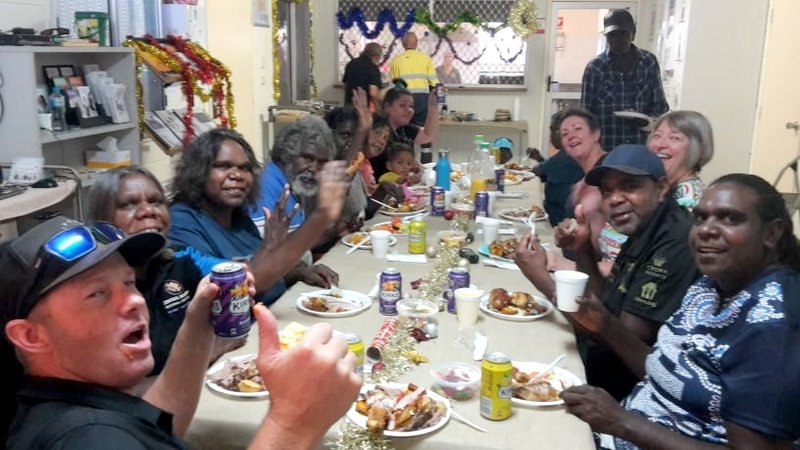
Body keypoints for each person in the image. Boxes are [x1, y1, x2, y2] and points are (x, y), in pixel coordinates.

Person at [1, 216, 361, 449]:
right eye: (97, 294)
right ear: (31, 336)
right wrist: (293, 424)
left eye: (129, 282)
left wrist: (198, 322)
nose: (133, 302)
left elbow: (162, 430)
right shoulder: (88, 439)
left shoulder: (83, 402)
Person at [561, 174, 800, 449]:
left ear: (771, 233)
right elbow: (670, 373)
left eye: (729, 218)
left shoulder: (771, 327)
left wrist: (621, 422)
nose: (706, 230)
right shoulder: (711, 284)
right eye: (701, 218)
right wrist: (605, 325)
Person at [514, 145, 699, 401]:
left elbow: (619, 337)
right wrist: (583, 247)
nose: (615, 199)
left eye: (629, 186)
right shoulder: (646, 225)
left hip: (628, 393)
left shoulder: (674, 243)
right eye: (607, 190)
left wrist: (542, 279)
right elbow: (607, 300)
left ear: (662, 188)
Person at [170, 128, 341, 305]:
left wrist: (296, 271)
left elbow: (261, 267)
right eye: (223, 166)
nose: (237, 175)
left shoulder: (236, 216)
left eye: (244, 168)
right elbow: (242, 286)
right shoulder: (181, 222)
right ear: (199, 172)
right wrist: (322, 216)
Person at [599, 110, 715, 262]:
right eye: (657, 135)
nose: (660, 145)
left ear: (697, 148)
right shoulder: (652, 190)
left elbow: (650, 264)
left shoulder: (688, 200)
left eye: (674, 138)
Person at [581, 9, 669, 152]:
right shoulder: (595, 68)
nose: (617, 40)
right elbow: (585, 114)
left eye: (623, 34)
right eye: (612, 35)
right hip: (607, 149)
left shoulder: (648, 62)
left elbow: (660, 105)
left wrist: (647, 121)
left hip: (640, 147)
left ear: (633, 32)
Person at [251, 114, 335, 233]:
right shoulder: (265, 187)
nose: (314, 168)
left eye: (321, 162)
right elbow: (263, 249)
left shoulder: (293, 183)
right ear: (288, 154)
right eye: (308, 158)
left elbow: (296, 241)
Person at [370, 79, 439, 179]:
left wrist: (432, 104)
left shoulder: (405, 129)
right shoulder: (376, 129)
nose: (408, 110)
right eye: (402, 105)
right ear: (387, 106)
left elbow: (428, 135)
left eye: (411, 106)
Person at [531, 111, 585, 227]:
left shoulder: (565, 157)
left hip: (558, 222)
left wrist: (539, 163)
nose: (551, 136)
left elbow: (536, 172)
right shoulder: (574, 154)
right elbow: (548, 173)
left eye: (553, 130)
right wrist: (539, 158)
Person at [390, 31, 438, 127]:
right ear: (416, 43)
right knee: (423, 130)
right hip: (422, 101)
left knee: (404, 131)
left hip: (404, 101)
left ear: (403, 44)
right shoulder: (426, 59)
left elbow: (393, 86)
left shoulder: (396, 61)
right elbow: (435, 83)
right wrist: (440, 106)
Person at [342, 42, 383, 110]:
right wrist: (379, 108)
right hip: (362, 106)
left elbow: (345, 85)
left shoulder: (351, 64)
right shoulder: (372, 68)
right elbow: (373, 92)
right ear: (376, 56)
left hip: (348, 104)